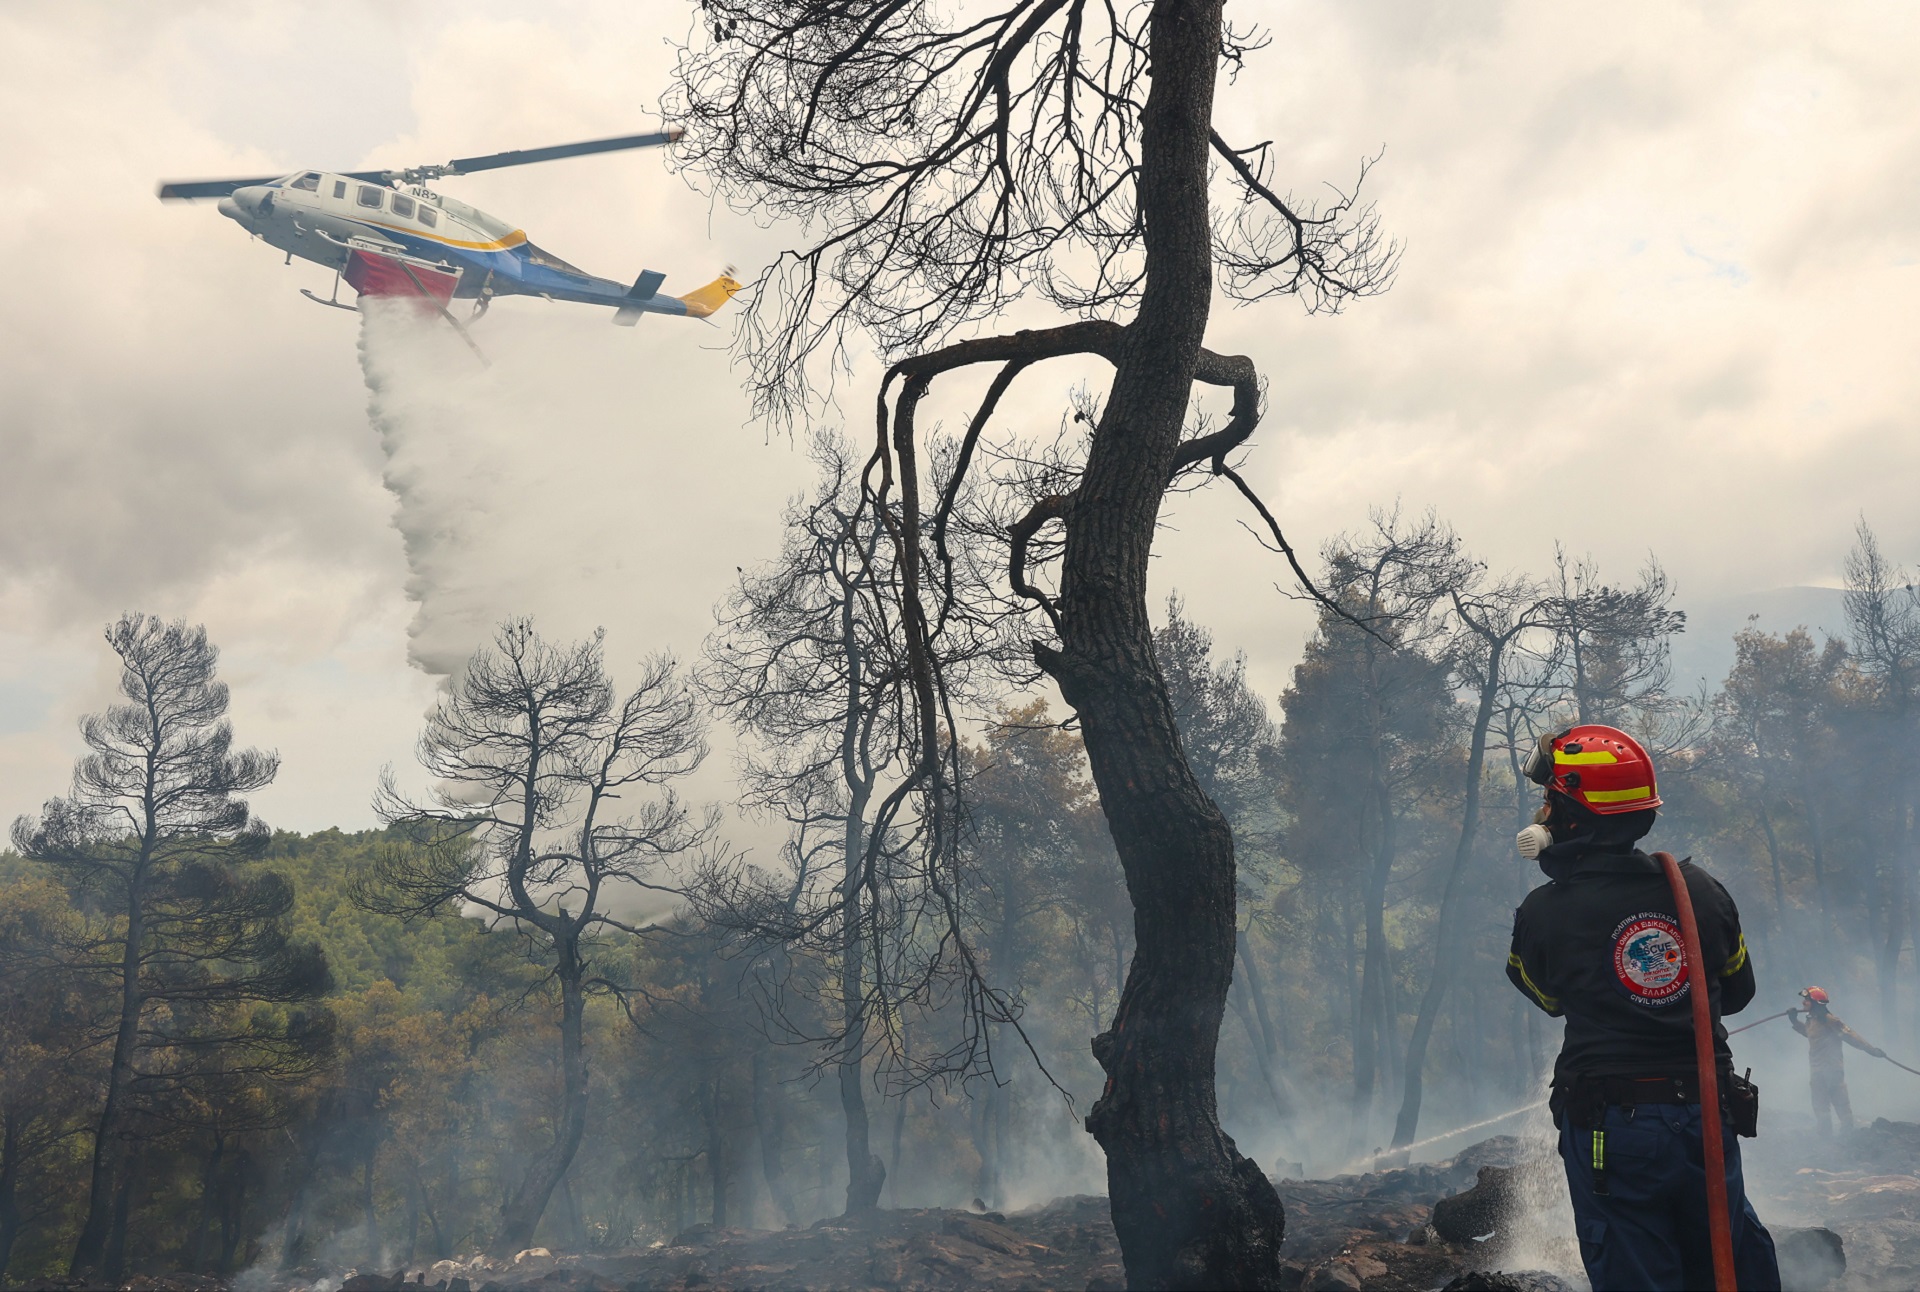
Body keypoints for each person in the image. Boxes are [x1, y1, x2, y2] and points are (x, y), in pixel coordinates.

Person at [1505, 724, 1779, 1291]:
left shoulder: (1544, 913)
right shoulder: (1698, 889)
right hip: (1705, 1116)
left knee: (1635, 1271)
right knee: (1727, 1262)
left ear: (1570, 815)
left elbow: (1548, 998)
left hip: (1612, 1130)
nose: (1544, 813)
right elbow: (1740, 991)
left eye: (1551, 799)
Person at [1789, 986, 1883, 1136]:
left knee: (1840, 1101)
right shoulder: (1812, 1020)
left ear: (1815, 1002)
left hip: (1832, 1067)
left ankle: (1847, 1132)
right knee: (1819, 1103)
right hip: (1817, 1069)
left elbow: (1850, 1036)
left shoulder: (1830, 1020)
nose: (1803, 1003)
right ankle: (1825, 1134)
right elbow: (1810, 1034)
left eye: (1806, 1000)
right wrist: (1794, 1021)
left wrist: (1871, 1050)